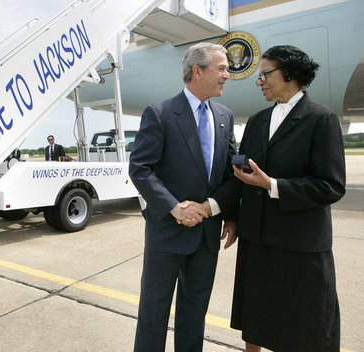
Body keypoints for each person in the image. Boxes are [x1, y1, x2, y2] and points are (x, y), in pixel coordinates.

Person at [228, 45, 345, 352]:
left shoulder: (321, 119)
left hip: (298, 245)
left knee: (302, 328)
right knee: (255, 317)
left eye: (265, 74)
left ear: (290, 74)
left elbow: (331, 185)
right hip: (258, 240)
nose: (260, 81)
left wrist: (273, 185)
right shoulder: (256, 120)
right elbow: (243, 173)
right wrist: (233, 217)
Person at [129, 42, 237, 351]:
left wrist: (224, 212)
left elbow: (231, 174)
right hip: (167, 232)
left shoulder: (225, 116)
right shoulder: (160, 113)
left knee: (195, 313)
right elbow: (140, 168)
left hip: (206, 233)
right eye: (222, 69)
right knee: (154, 312)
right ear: (197, 71)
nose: (227, 75)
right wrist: (175, 208)